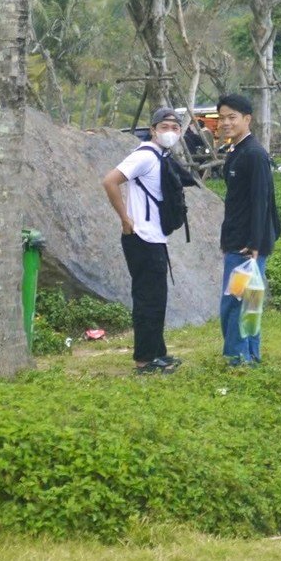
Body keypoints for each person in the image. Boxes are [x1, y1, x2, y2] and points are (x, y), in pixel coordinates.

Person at [102, 107, 188, 374]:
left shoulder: (161, 156)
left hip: (155, 237)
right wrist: (126, 219)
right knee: (148, 299)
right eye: (165, 127)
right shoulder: (144, 156)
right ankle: (144, 361)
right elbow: (110, 181)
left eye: (175, 128)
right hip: (142, 238)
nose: (170, 132)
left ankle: (157, 352)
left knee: (156, 298)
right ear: (153, 130)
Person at [216, 93, 279, 368]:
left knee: (236, 302)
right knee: (250, 301)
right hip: (239, 240)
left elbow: (261, 201)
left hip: (246, 245)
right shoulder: (236, 150)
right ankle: (250, 357)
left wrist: (255, 242)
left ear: (247, 119)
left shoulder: (254, 154)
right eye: (222, 118)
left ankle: (238, 358)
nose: (226, 123)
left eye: (232, 117)